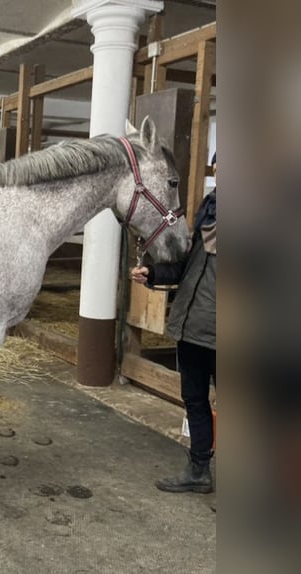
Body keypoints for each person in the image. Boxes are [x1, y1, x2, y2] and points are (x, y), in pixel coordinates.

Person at [131, 152, 217, 494]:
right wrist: (153, 273)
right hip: (191, 327)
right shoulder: (209, 210)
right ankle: (198, 470)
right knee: (194, 400)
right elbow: (187, 270)